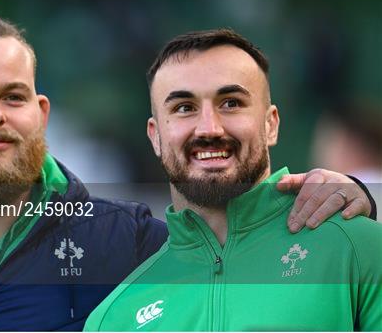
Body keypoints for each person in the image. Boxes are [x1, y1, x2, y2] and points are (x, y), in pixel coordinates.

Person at [0, 15, 375, 331]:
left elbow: (233, 243)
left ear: (42, 113)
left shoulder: (131, 242)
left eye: (12, 96)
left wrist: (361, 192)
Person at [84, 29, 382, 331]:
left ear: (271, 124)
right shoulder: (112, 318)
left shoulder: (359, 249)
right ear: (156, 136)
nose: (209, 128)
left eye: (231, 103)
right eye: (184, 108)